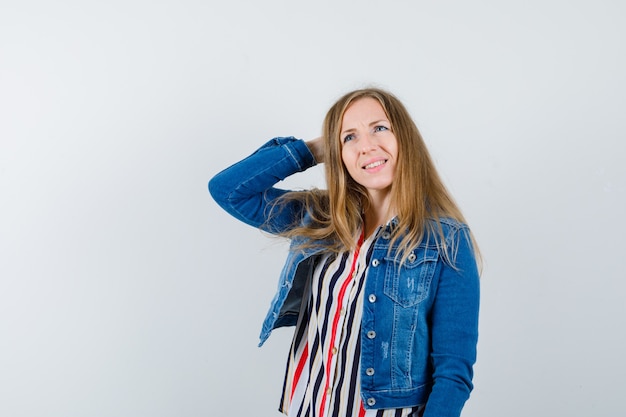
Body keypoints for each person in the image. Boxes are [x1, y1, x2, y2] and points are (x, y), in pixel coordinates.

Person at [209, 88, 480, 417]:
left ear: (405, 138)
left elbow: (453, 376)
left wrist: (348, 140)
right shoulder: (322, 217)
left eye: (380, 128)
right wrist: (313, 150)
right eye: (349, 136)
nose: (366, 145)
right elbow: (228, 190)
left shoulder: (446, 240)